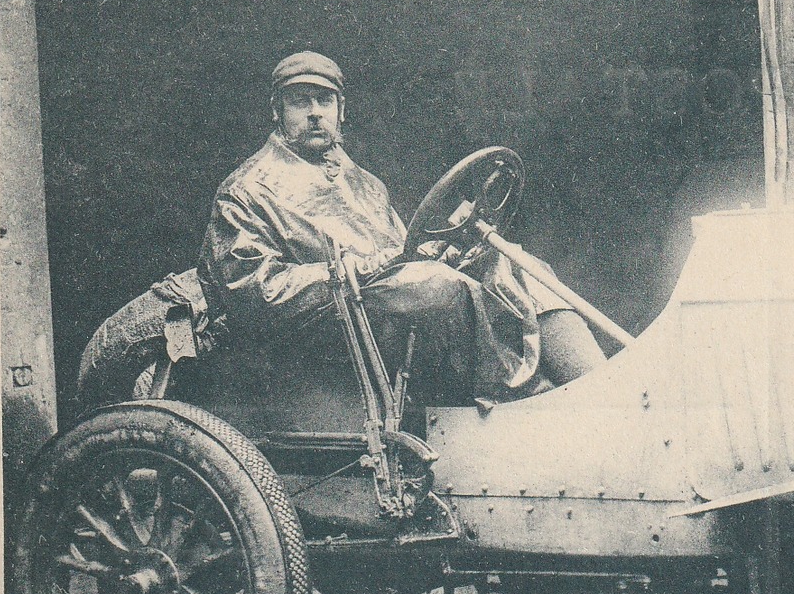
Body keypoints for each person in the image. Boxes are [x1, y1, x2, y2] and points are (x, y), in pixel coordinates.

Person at [199, 50, 605, 402]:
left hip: (381, 306)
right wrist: (358, 270)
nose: (314, 113)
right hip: (324, 325)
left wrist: (440, 249)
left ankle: (596, 389)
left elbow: (402, 250)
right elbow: (255, 292)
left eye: (324, 100)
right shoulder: (246, 190)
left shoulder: (363, 182)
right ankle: (525, 398)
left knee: (510, 265)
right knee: (437, 287)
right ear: (276, 111)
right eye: (299, 102)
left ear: (342, 110)